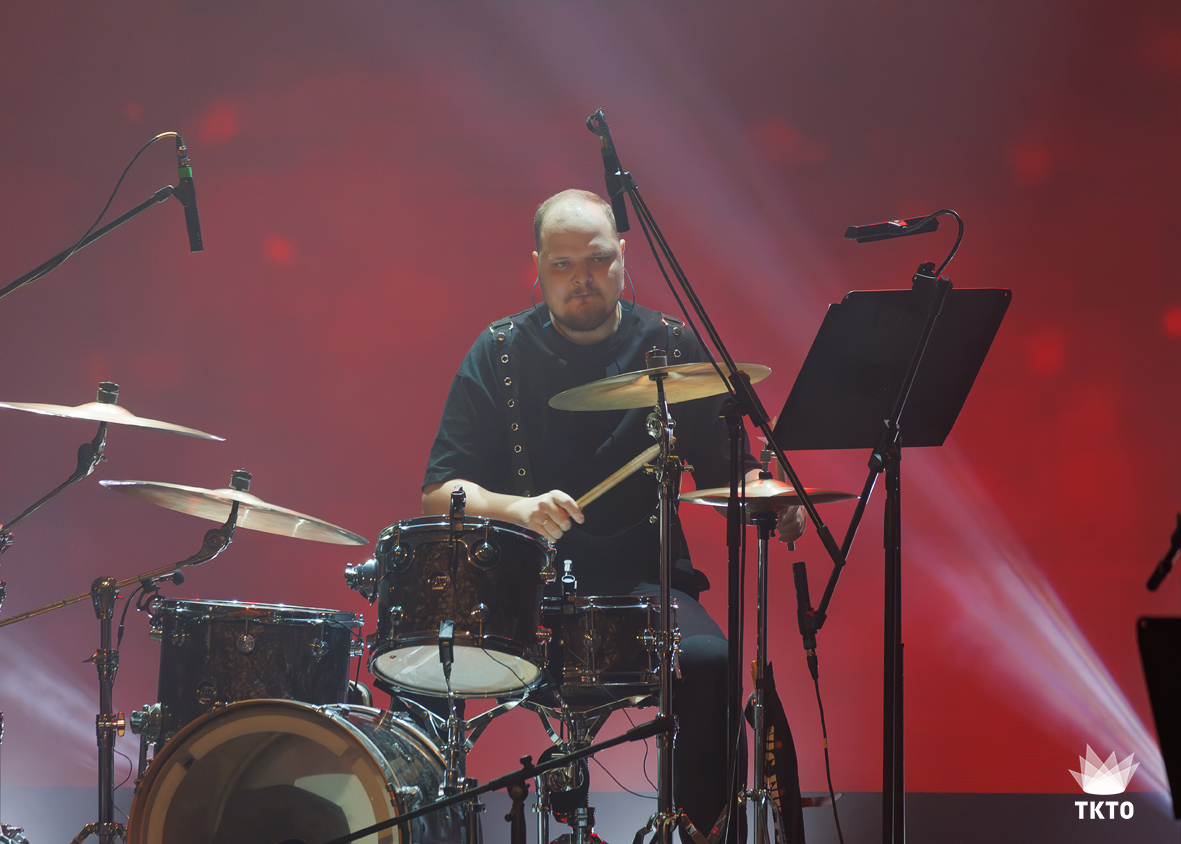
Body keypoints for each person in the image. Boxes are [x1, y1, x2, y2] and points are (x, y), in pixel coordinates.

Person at [422, 188, 805, 839]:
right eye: (563, 264)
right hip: (531, 591)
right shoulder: (500, 351)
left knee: (711, 664)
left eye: (598, 259)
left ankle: (706, 832)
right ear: (537, 265)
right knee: (426, 670)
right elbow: (439, 492)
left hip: (648, 584)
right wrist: (517, 507)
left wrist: (771, 501)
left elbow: (731, 478)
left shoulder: (671, 346)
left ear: (623, 255)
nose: (583, 278)